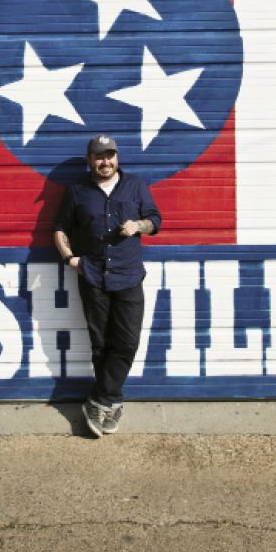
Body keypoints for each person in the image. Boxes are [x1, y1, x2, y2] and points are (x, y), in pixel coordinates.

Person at [53, 134, 162, 438]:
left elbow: (155, 219)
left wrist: (137, 226)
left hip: (128, 275)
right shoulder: (77, 192)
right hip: (93, 277)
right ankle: (109, 405)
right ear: (90, 160)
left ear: (117, 157)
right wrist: (70, 259)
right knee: (100, 345)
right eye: (99, 157)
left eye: (110, 155)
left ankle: (101, 399)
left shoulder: (136, 185)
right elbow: (60, 228)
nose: (106, 162)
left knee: (126, 342)